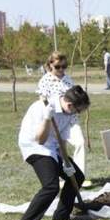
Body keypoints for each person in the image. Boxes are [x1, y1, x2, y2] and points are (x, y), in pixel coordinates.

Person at [13, 86, 90, 220]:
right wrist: (48, 118)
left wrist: (64, 160)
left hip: (53, 149)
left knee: (77, 176)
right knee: (51, 186)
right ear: (69, 105)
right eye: (78, 110)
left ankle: (60, 218)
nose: (78, 114)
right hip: (35, 147)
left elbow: (59, 139)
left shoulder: (68, 113)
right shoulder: (43, 108)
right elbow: (40, 140)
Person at [36, 51, 89, 186]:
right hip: (54, 121)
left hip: (71, 120)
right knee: (59, 147)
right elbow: (42, 101)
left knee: (80, 142)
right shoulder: (45, 80)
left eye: (64, 66)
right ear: (50, 65)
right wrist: (48, 116)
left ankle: (78, 176)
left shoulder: (68, 80)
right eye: (58, 66)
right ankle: (62, 176)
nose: (61, 69)